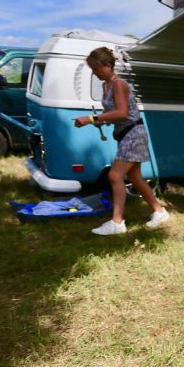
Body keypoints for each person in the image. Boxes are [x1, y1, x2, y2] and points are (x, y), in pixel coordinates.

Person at [74, 47, 169, 235]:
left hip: (134, 133)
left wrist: (92, 119)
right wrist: (101, 121)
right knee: (134, 177)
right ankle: (160, 211)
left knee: (114, 176)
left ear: (108, 65)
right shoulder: (106, 86)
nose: (94, 74)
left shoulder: (119, 84)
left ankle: (117, 223)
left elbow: (122, 112)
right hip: (126, 132)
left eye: (96, 69)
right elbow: (116, 114)